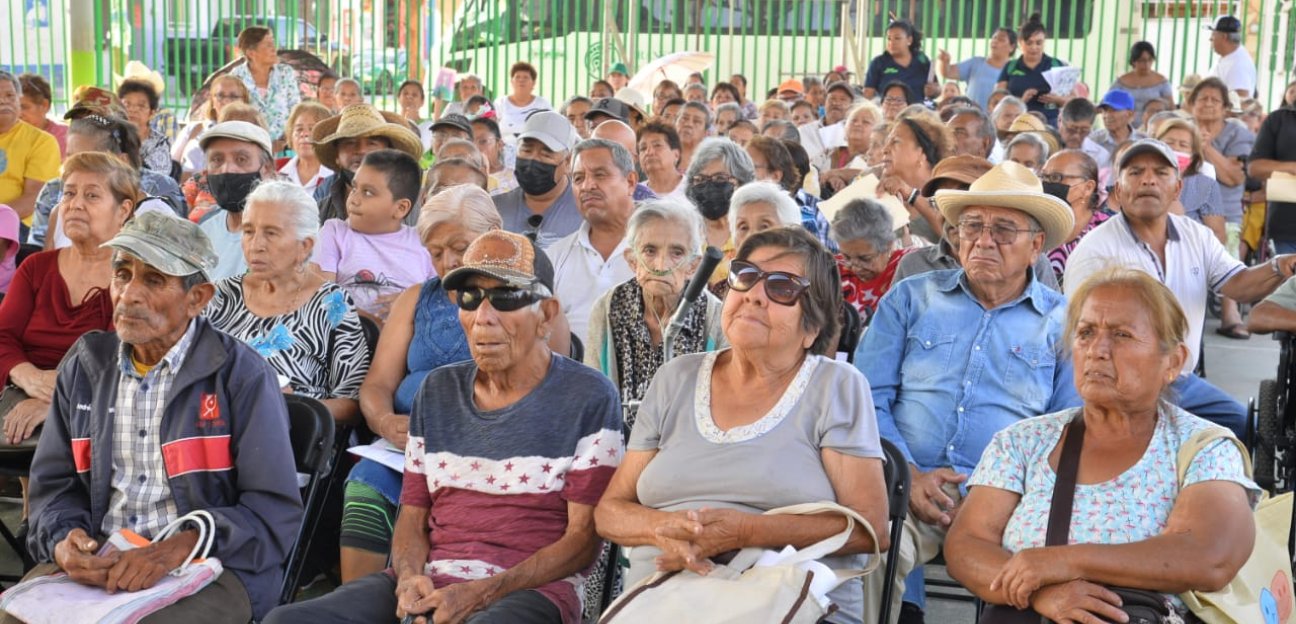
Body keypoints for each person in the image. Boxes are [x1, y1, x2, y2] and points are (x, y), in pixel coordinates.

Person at [265, 228, 622, 624]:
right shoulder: (437, 390)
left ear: (547, 315)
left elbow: (582, 543)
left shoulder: (588, 396)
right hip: (433, 580)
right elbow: (412, 519)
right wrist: (409, 578)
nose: (483, 317)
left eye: (505, 297)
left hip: (530, 590)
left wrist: (480, 593)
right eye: (470, 298)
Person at [10, 211, 302, 624]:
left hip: (212, 565)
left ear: (197, 298)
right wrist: (63, 542)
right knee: (14, 617)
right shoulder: (86, 367)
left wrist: (175, 548)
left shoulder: (241, 376)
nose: (128, 294)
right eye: (122, 274)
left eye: (153, 279)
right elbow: (52, 489)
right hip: (105, 558)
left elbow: (273, 513)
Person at [596, 225, 889, 624]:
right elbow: (610, 511)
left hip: (789, 602)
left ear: (812, 327)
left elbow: (868, 530)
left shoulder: (835, 386)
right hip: (669, 600)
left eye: (783, 287)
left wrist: (748, 532)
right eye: (745, 276)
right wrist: (668, 528)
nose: (753, 294)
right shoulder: (675, 378)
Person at [945, 268, 1258, 623]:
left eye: (1122, 335)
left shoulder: (1203, 448)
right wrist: (1044, 593)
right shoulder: (1022, 441)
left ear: (1173, 362)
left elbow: (1210, 556)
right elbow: (966, 544)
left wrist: (1060, 561)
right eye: (1086, 333)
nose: (1097, 350)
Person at [857, 161, 1079, 624]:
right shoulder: (911, 297)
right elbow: (865, 395)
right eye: (972, 226)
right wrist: (910, 476)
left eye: (1003, 230)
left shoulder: (1064, 322)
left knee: (1031, 583)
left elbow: (1068, 427)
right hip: (905, 487)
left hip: (1011, 503)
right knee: (872, 553)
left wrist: (993, 494)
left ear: (1036, 245)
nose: (982, 240)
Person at [1063, 138, 1295, 436]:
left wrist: (1279, 266)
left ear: (1177, 188)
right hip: (1120, 378)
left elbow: (1237, 285)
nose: (1148, 179)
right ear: (1118, 191)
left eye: (1161, 172)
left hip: (1180, 380)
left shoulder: (1195, 235)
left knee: (1242, 427)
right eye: (1135, 172)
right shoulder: (1095, 250)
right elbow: (1082, 336)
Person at [338, 184, 498, 582]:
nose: (448, 262)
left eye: (459, 247)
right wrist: (385, 423)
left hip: (484, 450)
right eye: (436, 252)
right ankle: (361, 606)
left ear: (493, 234)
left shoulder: (519, 302)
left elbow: (540, 392)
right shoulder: (417, 299)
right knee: (365, 487)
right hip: (407, 447)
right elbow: (376, 385)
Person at [205, 180, 369, 423]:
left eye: (271, 233)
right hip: (213, 426)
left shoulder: (332, 304)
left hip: (288, 436)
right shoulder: (221, 296)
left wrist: (291, 407)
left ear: (305, 246)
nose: (256, 245)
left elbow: (351, 403)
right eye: (248, 231)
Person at [0, 153, 130, 459]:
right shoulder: (36, 268)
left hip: (96, 406)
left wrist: (56, 401)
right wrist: (28, 376)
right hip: (18, 394)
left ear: (124, 210)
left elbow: (120, 359)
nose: (75, 204)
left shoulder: (132, 276)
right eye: (69, 193)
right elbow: (3, 335)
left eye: (92, 195)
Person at [585, 198, 726, 429]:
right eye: (650, 250)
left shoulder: (714, 315)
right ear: (632, 261)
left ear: (693, 266)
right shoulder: (607, 309)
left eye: (677, 252)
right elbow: (594, 394)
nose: (660, 266)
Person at [894, 155, 1060, 289]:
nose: (951, 214)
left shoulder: (1033, 262)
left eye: (965, 201)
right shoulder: (913, 265)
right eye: (939, 202)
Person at [30, 115, 187, 249]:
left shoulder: (155, 216)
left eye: (85, 159)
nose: (71, 166)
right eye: (70, 157)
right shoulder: (61, 211)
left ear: (121, 162)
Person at [311, 149, 433, 321]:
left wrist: (410, 305)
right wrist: (371, 323)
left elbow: (438, 301)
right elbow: (321, 297)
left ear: (401, 208)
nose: (354, 199)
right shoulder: (335, 233)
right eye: (354, 188)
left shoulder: (424, 244)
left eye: (368, 192)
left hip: (406, 337)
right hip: (345, 336)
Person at [548, 139, 637, 342]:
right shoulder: (555, 256)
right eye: (578, 178)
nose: (587, 186)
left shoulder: (660, 249)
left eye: (600, 175)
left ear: (630, 182)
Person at [1186, 77, 1255, 339]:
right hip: (1186, 207)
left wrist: (1205, 147)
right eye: (1202, 99)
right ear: (1192, 104)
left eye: (1216, 100)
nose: (1209, 104)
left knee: (1228, 249)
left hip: (1224, 211)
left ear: (1226, 107)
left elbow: (1234, 177)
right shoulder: (1181, 129)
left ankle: (1230, 311)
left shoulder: (1238, 133)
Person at [311, 104, 425, 224]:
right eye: (350, 142)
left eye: (372, 143)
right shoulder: (319, 213)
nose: (361, 150)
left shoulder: (415, 210)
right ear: (337, 157)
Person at [195, 121, 279, 281]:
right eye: (217, 160)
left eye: (241, 159)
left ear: (267, 169)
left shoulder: (290, 232)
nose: (227, 169)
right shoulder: (205, 231)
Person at [493, 111, 581, 248]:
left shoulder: (586, 211)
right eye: (527, 150)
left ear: (568, 161)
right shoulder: (495, 209)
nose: (533, 159)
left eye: (546, 154)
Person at [684, 138, 757, 290]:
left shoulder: (755, 233)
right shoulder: (683, 230)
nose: (709, 186)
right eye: (701, 179)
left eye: (720, 178)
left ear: (741, 183)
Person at [746, 135, 834, 249]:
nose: (741, 171)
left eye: (750, 166)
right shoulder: (730, 207)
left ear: (775, 176)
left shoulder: (814, 214)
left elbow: (825, 261)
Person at [878, 112, 953, 242]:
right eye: (886, 142)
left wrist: (912, 196)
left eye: (895, 142)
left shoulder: (947, 197)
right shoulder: (882, 191)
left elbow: (958, 244)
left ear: (921, 153)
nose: (884, 149)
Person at [0, 72, 62, 226]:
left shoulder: (41, 141)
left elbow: (33, 198)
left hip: (16, 226)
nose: (3, 101)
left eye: (10, 96)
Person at [1039, 150, 1108, 285]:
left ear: (1088, 188)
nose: (1047, 184)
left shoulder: (1107, 232)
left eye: (1056, 178)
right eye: (1044, 177)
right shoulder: (1037, 225)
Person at [833, 198, 910, 317]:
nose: (855, 268)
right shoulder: (833, 269)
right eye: (846, 257)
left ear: (887, 245)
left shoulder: (908, 266)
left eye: (865, 258)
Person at [1155, 118, 1225, 241]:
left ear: (1193, 155)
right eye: (1169, 143)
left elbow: (1218, 235)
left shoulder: (1206, 186)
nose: (1175, 149)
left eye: (1183, 145)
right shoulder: (1141, 180)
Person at [995, 13, 1069, 127]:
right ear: (1020, 43)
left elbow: (1073, 99)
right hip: (1017, 124)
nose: (1034, 47)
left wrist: (1057, 99)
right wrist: (1020, 101)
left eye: (1039, 43)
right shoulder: (1010, 67)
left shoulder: (1056, 65)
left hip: (1049, 124)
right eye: (1029, 43)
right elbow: (997, 99)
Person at [229, 25, 301, 142]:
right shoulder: (236, 77)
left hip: (283, 145)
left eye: (273, 43)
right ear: (251, 53)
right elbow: (233, 113)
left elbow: (295, 108)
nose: (274, 49)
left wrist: (285, 140)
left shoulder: (285, 73)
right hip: (248, 143)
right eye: (268, 45)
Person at [174, 76, 251, 181]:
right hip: (186, 192)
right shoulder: (193, 129)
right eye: (220, 95)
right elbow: (171, 166)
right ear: (212, 100)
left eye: (233, 96)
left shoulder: (252, 134)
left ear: (244, 101)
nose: (226, 101)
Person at [1249, 87, 1296, 255]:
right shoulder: (1278, 119)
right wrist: (1291, 168)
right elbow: (1254, 168)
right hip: (1287, 231)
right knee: (1288, 282)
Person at [937, 27, 1017, 111]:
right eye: (994, 38)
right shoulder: (976, 63)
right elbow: (947, 72)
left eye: (1001, 39)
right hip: (971, 118)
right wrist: (944, 62)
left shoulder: (1014, 70)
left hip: (997, 121)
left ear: (1012, 47)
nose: (995, 41)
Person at [864, 19, 938, 102]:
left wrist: (933, 91)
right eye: (889, 38)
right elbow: (868, 93)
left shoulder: (922, 59)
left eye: (897, 38)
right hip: (888, 112)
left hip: (917, 111)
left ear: (909, 40)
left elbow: (936, 90)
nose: (892, 42)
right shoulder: (878, 63)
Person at [1111, 41, 1174, 126]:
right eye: (1142, 61)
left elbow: (1171, 108)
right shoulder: (1120, 83)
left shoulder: (1162, 82)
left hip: (1154, 128)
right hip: (1125, 128)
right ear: (1133, 61)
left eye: (1150, 60)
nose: (1147, 64)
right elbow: (1108, 104)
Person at [116, 79, 172, 176]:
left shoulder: (159, 143)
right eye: (127, 104)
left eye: (141, 106)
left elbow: (159, 178)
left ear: (152, 113)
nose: (133, 110)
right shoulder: (109, 135)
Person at [280, 101, 335, 192]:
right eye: (299, 129)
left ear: (327, 135)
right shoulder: (277, 169)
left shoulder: (336, 176)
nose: (304, 134)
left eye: (312, 129)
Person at [495, 62, 553, 138]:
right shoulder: (500, 103)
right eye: (517, 77)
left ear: (533, 83)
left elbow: (551, 128)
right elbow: (491, 129)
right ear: (512, 82)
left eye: (526, 77)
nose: (521, 80)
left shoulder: (542, 104)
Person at [1206, 15, 1257, 98]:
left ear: (1224, 37)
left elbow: (1240, 99)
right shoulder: (1228, 56)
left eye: (1213, 34)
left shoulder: (1239, 65)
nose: (1210, 38)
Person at [16, 74, 66, 158]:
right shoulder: (7, 137)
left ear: (44, 105)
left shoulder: (65, 138)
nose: (17, 114)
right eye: (13, 107)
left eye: (23, 107)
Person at [1057, 97, 1113, 169]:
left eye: (1083, 131)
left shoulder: (1100, 155)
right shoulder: (1047, 148)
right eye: (1071, 130)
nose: (1076, 136)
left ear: (1091, 128)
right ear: (1060, 122)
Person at [637, 121, 686, 201]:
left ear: (676, 155)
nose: (649, 152)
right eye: (643, 148)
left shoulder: (692, 190)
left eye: (657, 145)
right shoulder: (634, 194)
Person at [470, 116, 518, 196]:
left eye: (483, 141)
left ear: (499, 145)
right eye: (469, 142)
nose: (475, 148)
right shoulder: (463, 181)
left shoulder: (516, 179)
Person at [1088, 90, 1145, 156]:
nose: (1107, 115)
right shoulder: (1093, 140)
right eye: (1104, 110)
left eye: (1114, 110)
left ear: (1130, 114)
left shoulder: (1143, 142)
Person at [988, 96, 1026, 162]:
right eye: (1007, 116)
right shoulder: (987, 145)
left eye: (1018, 116)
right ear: (995, 120)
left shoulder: (1031, 146)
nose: (1013, 120)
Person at [676, 101, 710, 171]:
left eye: (696, 121)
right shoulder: (661, 156)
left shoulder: (710, 163)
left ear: (706, 133)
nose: (688, 124)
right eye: (684, 118)